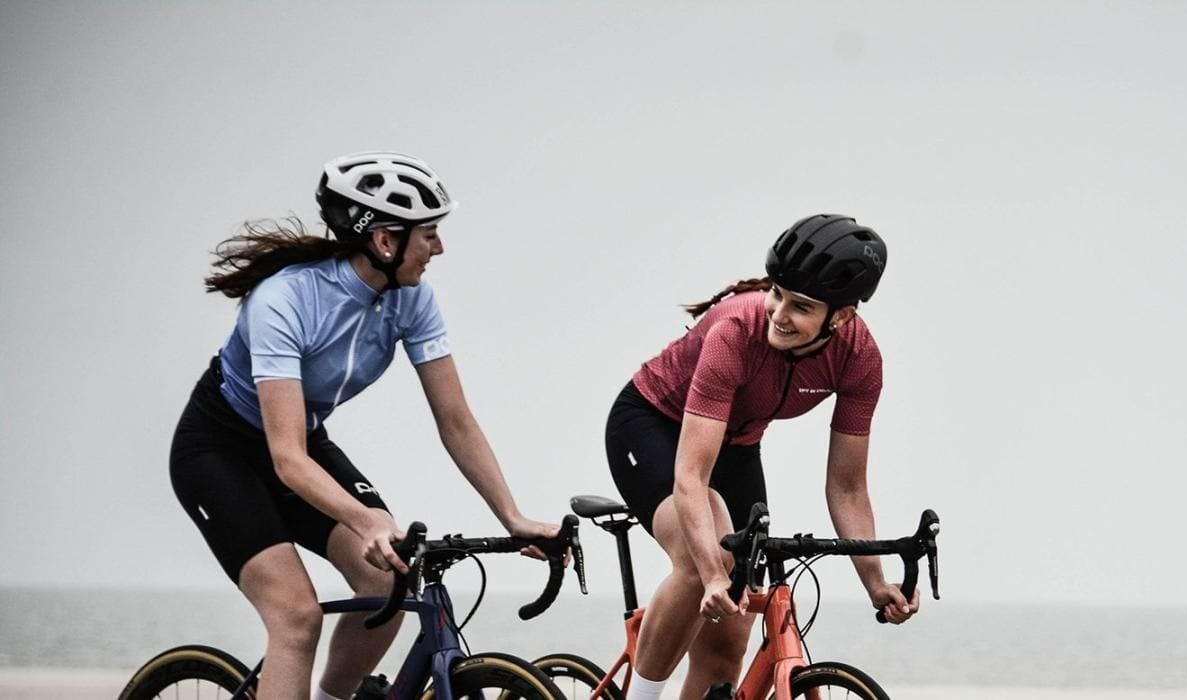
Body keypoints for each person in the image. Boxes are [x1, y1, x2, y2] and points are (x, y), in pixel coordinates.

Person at [168, 152, 559, 700]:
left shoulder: (411, 300)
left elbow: (456, 420)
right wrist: (365, 519)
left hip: (302, 442)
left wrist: (511, 515)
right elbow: (287, 459)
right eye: (429, 234)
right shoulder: (283, 301)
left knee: (389, 577)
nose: (439, 248)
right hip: (220, 451)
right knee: (297, 617)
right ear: (384, 241)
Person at [605, 214, 916, 699]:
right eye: (777, 293)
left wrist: (876, 583)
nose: (778, 314)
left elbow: (848, 487)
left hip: (737, 447)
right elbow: (690, 475)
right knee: (698, 559)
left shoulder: (860, 360)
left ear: (842, 317)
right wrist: (710, 572)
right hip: (652, 427)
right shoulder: (735, 331)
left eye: (801, 306)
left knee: (728, 645)